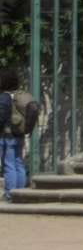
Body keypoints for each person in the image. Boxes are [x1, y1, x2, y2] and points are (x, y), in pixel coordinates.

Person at [0, 68, 33, 203]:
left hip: (7, 135)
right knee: (18, 163)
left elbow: (1, 117)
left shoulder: (4, 97)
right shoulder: (19, 96)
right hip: (19, 134)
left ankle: (10, 195)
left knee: (9, 165)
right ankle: (21, 193)